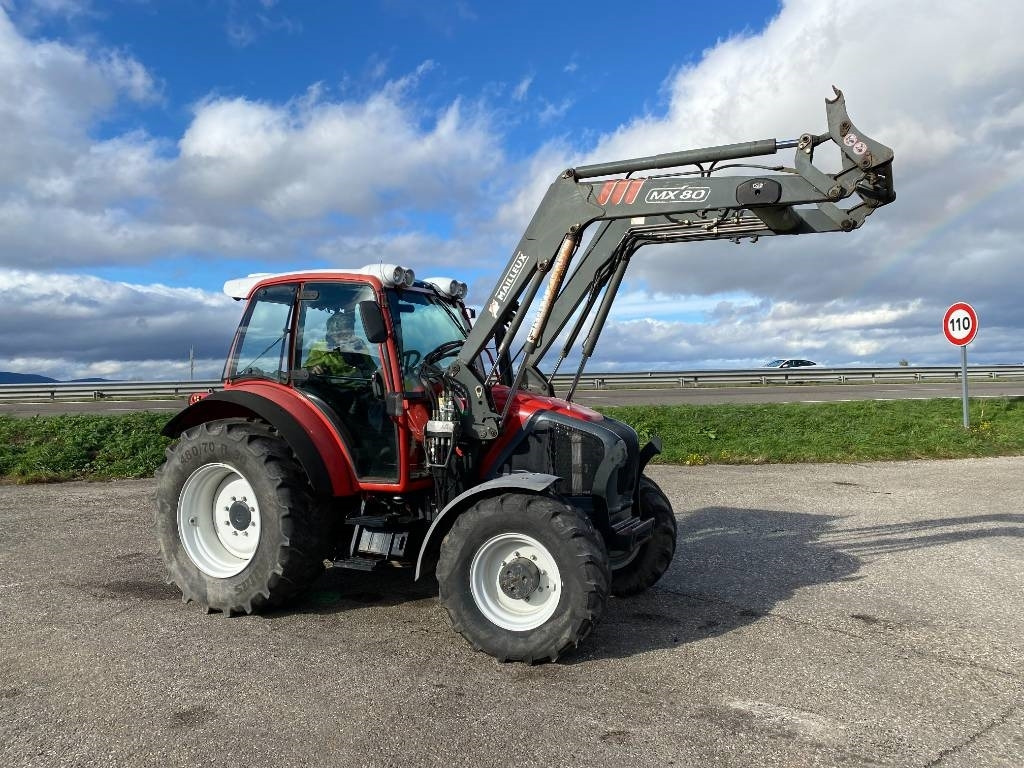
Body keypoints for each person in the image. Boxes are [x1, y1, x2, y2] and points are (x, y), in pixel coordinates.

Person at [305, 310, 376, 379]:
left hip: (364, 386)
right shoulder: (320, 347)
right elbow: (304, 372)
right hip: (331, 389)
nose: (345, 338)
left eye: (348, 333)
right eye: (340, 335)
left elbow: (372, 369)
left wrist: (359, 357)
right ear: (331, 335)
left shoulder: (358, 343)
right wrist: (313, 369)